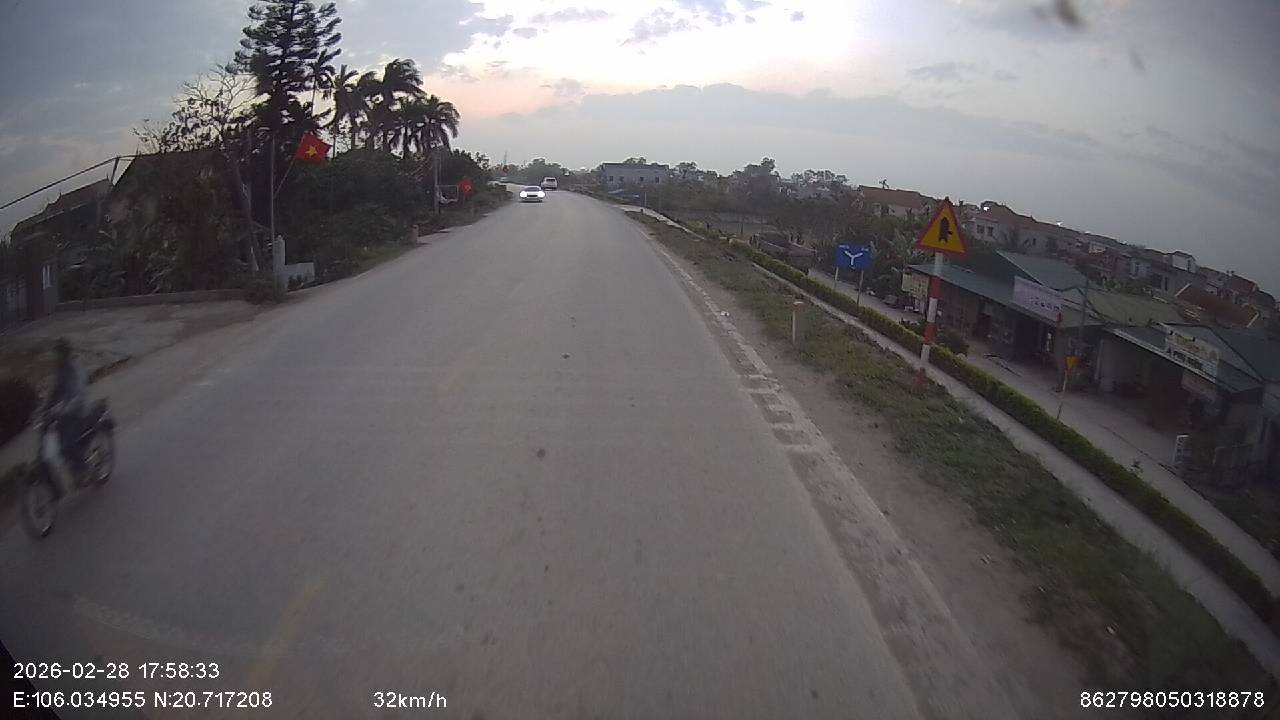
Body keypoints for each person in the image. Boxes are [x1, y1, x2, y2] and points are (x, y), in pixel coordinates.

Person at [43, 338, 89, 480]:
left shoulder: (75, 370)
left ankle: (84, 469)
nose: (54, 358)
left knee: (67, 445)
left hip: (77, 412)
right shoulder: (60, 371)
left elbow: (79, 394)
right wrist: (43, 409)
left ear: (64, 354)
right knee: (52, 441)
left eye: (57, 355)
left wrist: (66, 409)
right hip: (63, 413)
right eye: (54, 355)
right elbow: (54, 392)